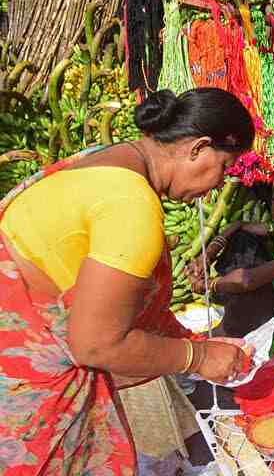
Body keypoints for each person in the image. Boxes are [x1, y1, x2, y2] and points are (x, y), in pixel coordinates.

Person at [0, 87, 255, 475]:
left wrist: (194, 343)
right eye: (224, 167)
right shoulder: (130, 206)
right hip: (24, 394)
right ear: (198, 148)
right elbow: (97, 344)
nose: (219, 184)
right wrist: (199, 358)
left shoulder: (106, 161)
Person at [189, 182, 274, 354]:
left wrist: (210, 284)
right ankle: (231, 325)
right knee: (243, 238)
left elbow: (248, 279)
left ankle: (232, 328)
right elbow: (238, 226)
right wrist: (207, 255)